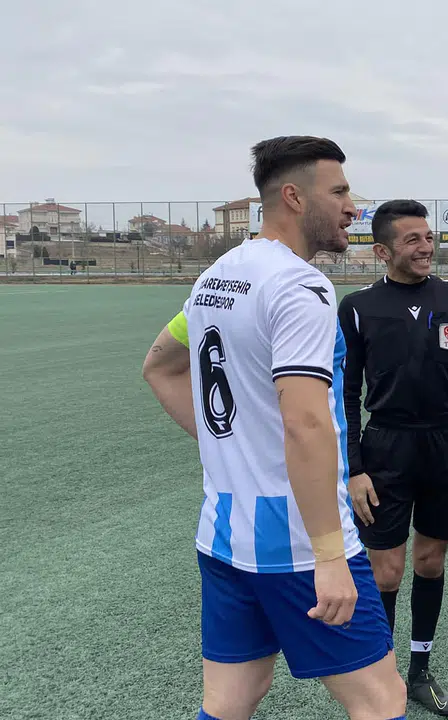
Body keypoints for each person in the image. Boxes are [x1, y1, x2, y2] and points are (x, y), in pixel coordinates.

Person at [140, 135, 407, 720]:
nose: (352, 208)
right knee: (381, 699)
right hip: (297, 545)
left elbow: (159, 366)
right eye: (339, 192)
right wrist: (330, 557)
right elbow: (306, 423)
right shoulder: (299, 287)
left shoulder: (216, 278)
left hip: (223, 535)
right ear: (293, 197)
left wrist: (231, 447)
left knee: (232, 697)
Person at [336, 199, 448, 716]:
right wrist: (354, 467)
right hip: (386, 448)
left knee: (430, 560)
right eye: (412, 240)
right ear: (382, 251)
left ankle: (420, 671)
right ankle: (381, 676)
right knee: (386, 570)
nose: (426, 247)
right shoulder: (357, 307)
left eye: (428, 237)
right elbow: (346, 394)